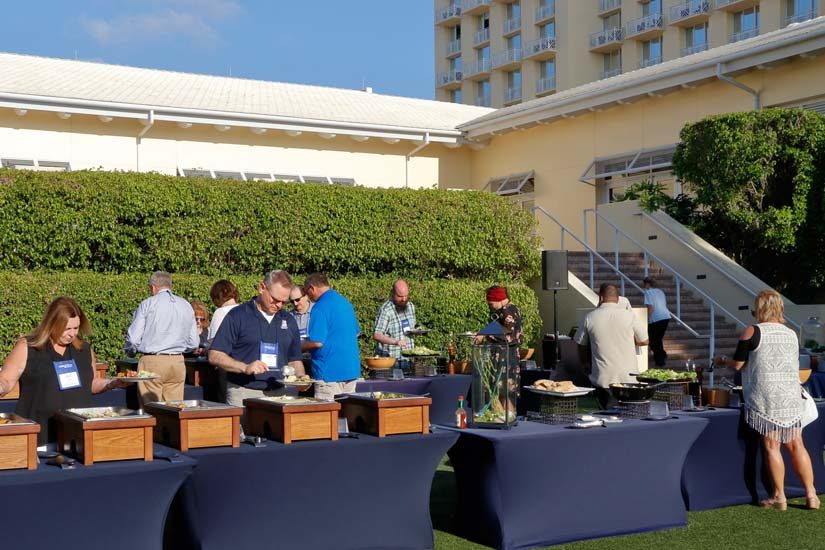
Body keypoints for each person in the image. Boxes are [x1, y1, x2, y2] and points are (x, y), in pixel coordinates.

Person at [717, 289, 819, 510]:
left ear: (760, 308)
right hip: (791, 395)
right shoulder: (791, 333)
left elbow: (738, 365)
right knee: (797, 444)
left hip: (766, 397)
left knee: (772, 445)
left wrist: (722, 360)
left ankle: (779, 496)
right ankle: (812, 495)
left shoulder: (752, 331)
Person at [0, 297, 125, 445]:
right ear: (52, 324)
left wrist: (112, 383)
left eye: (76, 328)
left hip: (75, 434)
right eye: (67, 329)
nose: (72, 334)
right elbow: (6, 380)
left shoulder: (84, 349)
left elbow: (90, 384)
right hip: (39, 433)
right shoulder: (29, 347)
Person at [208, 270, 306, 407]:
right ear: (262, 288)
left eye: (284, 302)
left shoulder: (288, 320)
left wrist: (301, 379)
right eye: (275, 299)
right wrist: (245, 367)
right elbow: (215, 355)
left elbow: (294, 360)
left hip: (281, 395)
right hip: (243, 392)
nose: (279, 305)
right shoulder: (237, 315)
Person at [124, 271, 200, 404]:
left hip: (152, 360)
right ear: (170, 286)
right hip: (177, 362)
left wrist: (131, 352)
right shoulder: (185, 305)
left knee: (151, 407)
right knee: (174, 408)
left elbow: (133, 339)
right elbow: (194, 343)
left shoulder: (148, 304)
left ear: (153, 287)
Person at [574, 283, 649, 409]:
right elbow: (644, 341)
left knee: (605, 414)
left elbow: (581, 344)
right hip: (628, 378)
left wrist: (585, 363)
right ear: (618, 299)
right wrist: (628, 339)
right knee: (629, 414)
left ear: (601, 298)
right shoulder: (629, 316)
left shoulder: (590, 317)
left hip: (603, 379)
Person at [303, 273, 361, 401]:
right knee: (348, 411)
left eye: (307, 292)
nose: (307, 297)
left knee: (327, 413)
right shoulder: (346, 303)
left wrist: (299, 346)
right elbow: (356, 333)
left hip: (328, 373)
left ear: (312, 288)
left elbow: (317, 342)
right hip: (350, 370)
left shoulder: (319, 307)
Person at [206, 279, 240, 403]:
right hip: (242, 362)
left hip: (225, 363)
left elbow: (213, 343)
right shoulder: (244, 311)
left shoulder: (220, 313)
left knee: (223, 401)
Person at [373, 279, 417, 358]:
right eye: (400, 296)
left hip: (408, 359)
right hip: (390, 360)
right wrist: (395, 342)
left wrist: (417, 331)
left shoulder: (410, 306)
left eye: (406, 296)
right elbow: (377, 335)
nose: (404, 299)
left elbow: (411, 329)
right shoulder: (386, 310)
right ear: (393, 294)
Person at [643, 277, 671, 367]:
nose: (643, 286)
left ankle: (660, 360)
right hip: (665, 317)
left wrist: (644, 318)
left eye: (644, 284)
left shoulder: (648, 292)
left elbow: (650, 308)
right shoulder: (660, 291)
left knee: (652, 340)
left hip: (656, 318)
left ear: (647, 284)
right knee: (658, 339)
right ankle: (662, 356)